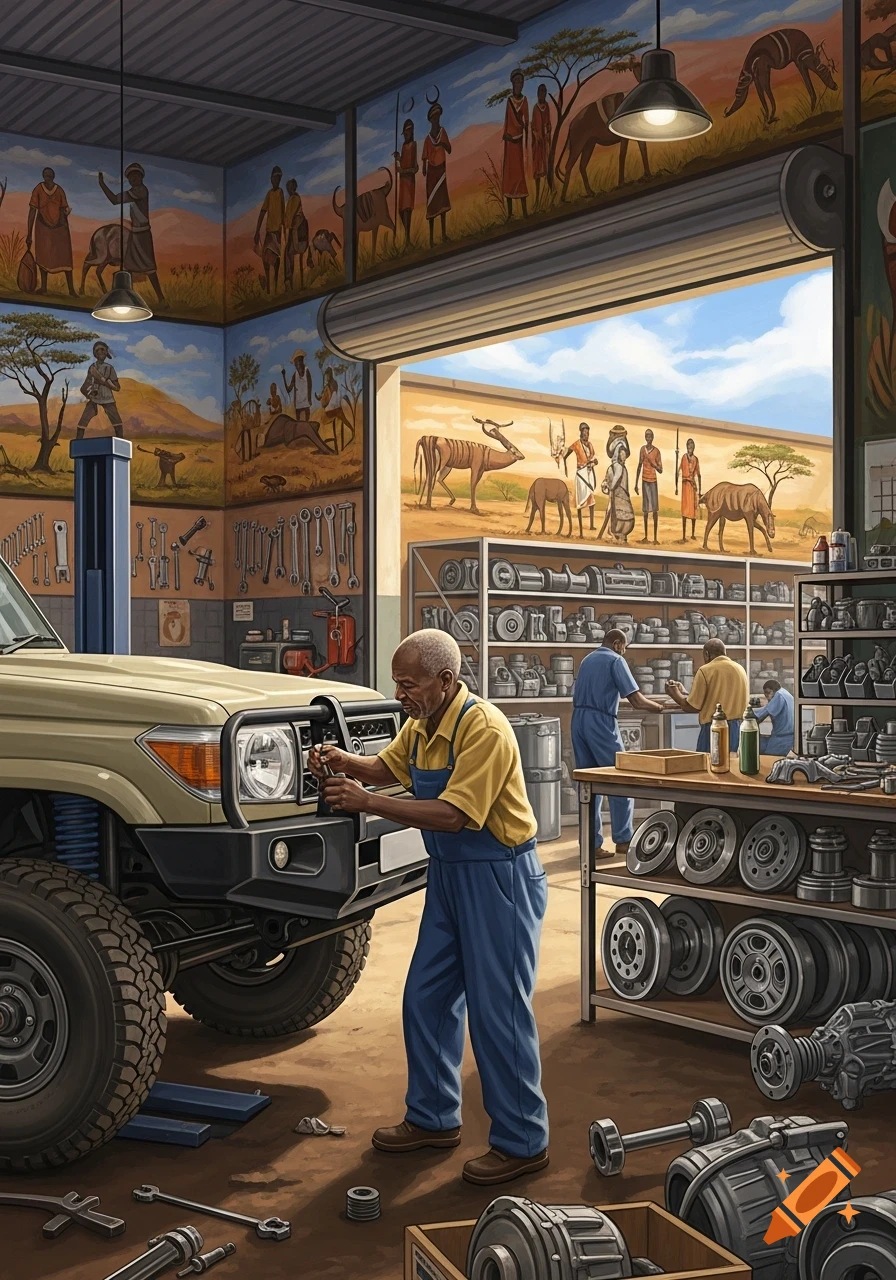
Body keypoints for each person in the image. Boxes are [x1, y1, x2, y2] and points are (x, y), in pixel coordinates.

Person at [308, 630, 549, 1187]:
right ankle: (434, 1118)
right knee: (427, 995)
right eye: (397, 684)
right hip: (449, 878)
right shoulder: (421, 727)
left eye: (409, 684)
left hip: (499, 876)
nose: (400, 695)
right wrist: (345, 761)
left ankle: (522, 1142)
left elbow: (453, 816)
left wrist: (367, 802)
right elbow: (385, 769)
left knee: (499, 1013)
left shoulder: (483, 729)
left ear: (445, 681)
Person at [572, 629, 669, 859]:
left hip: (578, 719)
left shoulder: (587, 659)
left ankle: (590, 844)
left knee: (587, 783)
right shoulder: (616, 660)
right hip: (601, 722)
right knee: (621, 777)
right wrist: (658, 707)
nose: (624, 651)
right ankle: (624, 840)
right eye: (625, 647)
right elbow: (635, 700)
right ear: (617, 644)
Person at [665, 639, 749, 753]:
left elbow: (692, 706)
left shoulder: (705, 670)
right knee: (732, 764)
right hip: (737, 728)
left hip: (714, 728)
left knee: (708, 765)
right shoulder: (740, 669)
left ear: (706, 654)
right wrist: (684, 692)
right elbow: (713, 696)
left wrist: (674, 694)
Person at [98, 162, 165, 304]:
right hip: (135, 234)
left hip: (143, 235)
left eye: (135, 176)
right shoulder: (136, 191)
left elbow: (115, 200)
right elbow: (115, 200)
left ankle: (161, 299)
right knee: (129, 267)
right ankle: (129, 300)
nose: (133, 179)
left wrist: (103, 184)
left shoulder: (141, 191)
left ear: (141, 177)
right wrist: (102, 184)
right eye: (130, 177)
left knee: (149, 267)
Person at [27, 167, 76, 296]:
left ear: (53, 176)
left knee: (64, 256)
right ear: (43, 176)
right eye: (45, 175)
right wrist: (29, 234)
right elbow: (32, 211)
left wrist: (64, 216)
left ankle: (71, 289)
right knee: (43, 255)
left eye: (50, 176)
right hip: (43, 226)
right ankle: (43, 287)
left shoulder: (59, 190)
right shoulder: (38, 189)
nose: (47, 178)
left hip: (60, 228)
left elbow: (64, 207)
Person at [77, 341, 122, 440]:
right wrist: (88, 394)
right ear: (94, 353)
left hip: (108, 399)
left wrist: (102, 380)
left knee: (118, 423)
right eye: (97, 350)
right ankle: (77, 445)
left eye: (103, 350)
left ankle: (121, 445)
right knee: (82, 423)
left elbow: (117, 387)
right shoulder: (92, 368)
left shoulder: (109, 368)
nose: (100, 352)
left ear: (106, 353)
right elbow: (85, 386)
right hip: (94, 399)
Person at [422, 100, 451, 247]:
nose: (437, 119)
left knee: (442, 202)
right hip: (432, 172)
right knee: (432, 204)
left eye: (438, 116)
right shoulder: (428, 139)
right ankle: (432, 239)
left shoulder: (443, 132)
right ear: (431, 120)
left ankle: (444, 234)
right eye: (434, 117)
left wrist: (442, 144)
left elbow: (449, 149)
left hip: (441, 170)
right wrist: (424, 168)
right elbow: (424, 158)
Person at [502, 69, 529, 218]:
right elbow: (507, 121)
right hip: (510, 143)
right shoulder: (509, 101)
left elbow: (526, 121)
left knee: (519, 175)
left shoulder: (524, 100)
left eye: (521, 81)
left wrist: (522, 129)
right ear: (513, 83)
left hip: (517, 141)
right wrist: (506, 136)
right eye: (517, 81)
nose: (519, 84)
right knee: (509, 176)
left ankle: (525, 212)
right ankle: (510, 214)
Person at [254, 166, 285, 293]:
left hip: (277, 232)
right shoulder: (269, 194)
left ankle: (276, 286)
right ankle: (268, 288)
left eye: (278, 178)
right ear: (271, 179)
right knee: (265, 258)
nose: (276, 180)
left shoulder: (280, 192)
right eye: (274, 178)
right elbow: (262, 211)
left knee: (276, 258)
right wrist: (257, 231)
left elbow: (283, 212)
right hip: (268, 232)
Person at [563, 421, 597, 536]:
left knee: (591, 499)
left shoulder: (590, 445)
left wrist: (594, 462)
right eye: (584, 432)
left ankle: (592, 525)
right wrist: (564, 458)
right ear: (581, 433)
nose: (586, 434)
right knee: (580, 500)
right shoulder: (577, 444)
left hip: (589, 472)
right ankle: (581, 529)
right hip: (581, 473)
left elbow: (593, 457)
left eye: (588, 432)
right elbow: (568, 452)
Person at [600, 439, 635, 543]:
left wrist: (611, 488)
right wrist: (606, 486)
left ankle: (621, 536)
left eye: (624, 454)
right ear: (618, 454)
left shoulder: (623, 469)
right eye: (622, 453)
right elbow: (606, 481)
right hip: (614, 497)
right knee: (612, 516)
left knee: (624, 517)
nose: (624, 456)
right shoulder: (613, 468)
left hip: (621, 498)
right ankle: (613, 535)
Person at [634, 428, 663, 544]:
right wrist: (636, 484)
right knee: (645, 510)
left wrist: (654, 465)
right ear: (645, 437)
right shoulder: (642, 450)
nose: (649, 438)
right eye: (647, 436)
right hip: (644, 481)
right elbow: (639, 466)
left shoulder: (657, 451)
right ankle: (646, 536)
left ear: (653, 437)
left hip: (653, 481)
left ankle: (655, 538)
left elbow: (661, 470)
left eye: (650, 436)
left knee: (655, 510)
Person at [394, 118, 418, 244]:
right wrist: (398, 159)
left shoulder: (413, 145)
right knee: (401, 211)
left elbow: (415, 168)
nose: (406, 135)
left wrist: (404, 171)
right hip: (403, 182)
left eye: (408, 132)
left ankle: (408, 239)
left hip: (409, 181)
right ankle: (407, 238)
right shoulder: (403, 146)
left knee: (407, 209)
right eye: (405, 133)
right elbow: (402, 163)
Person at [754, 679, 795, 756]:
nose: (767, 697)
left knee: (768, 759)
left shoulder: (779, 696)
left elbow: (763, 713)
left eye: (768, 693)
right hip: (789, 736)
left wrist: (751, 715)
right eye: (765, 694)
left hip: (781, 738)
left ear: (774, 690)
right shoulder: (785, 693)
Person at [283, 179, 309, 290]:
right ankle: (289, 280)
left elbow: (289, 216)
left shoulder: (295, 199)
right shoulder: (292, 199)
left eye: (289, 187)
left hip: (300, 239)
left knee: (288, 253)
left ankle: (289, 278)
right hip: (296, 236)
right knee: (287, 253)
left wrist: (286, 223)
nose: (288, 189)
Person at [677, 437, 701, 542]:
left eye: (691, 446)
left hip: (692, 486)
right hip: (685, 486)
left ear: (693, 447)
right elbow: (679, 471)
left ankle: (692, 534)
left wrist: (699, 490)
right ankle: (683, 536)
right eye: (688, 446)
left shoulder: (696, 459)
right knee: (685, 511)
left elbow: (698, 474)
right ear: (687, 447)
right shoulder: (683, 457)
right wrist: (676, 486)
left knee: (693, 511)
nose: (689, 448)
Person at [531, 84, 552, 202]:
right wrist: (536, 135)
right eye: (541, 91)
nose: (542, 93)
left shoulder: (547, 106)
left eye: (544, 91)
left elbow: (548, 121)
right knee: (538, 169)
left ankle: (550, 192)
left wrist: (548, 131)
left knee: (547, 167)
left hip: (545, 142)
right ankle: (538, 197)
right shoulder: (535, 108)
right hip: (537, 144)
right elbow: (533, 125)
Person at [281, 349, 312, 421]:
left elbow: (310, 385)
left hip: (306, 401)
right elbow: (289, 390)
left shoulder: (307, 371)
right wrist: (284, 376)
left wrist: (309, 399)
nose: (295, 365)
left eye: (296, 362)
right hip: (298, 402)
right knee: (298, 422)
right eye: (295, 363)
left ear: (301, 361)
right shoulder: (295, 375)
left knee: (307, 422)